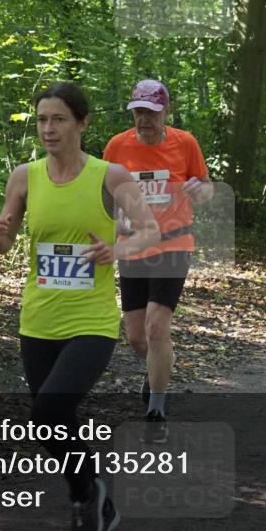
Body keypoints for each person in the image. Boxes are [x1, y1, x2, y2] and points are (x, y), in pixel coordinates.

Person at [0, 82, 160, 531]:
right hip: (38, 317)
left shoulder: (111, 176)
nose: (49, 128)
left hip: (91, 320)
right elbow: (5, 243)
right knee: (50, 425)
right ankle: (94, 493)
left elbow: (149, 231)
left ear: (82, 124)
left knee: (48, 410)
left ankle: (85, 499)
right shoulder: (24, 176)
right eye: (43, 119)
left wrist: (117, 248)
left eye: (59, 119)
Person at [103, 79, 212, 444]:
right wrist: (113, 219)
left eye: (150, 113)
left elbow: (206, 188)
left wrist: (201, 190)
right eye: (138, 112)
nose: (143, 120)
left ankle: (157, 408)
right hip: (133, 246)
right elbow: (105, 194)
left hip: (173, 244)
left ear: (166, 112)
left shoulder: (186, 143)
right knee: (136, 337)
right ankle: (156, 371)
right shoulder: (118, 146)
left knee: (155, 327)